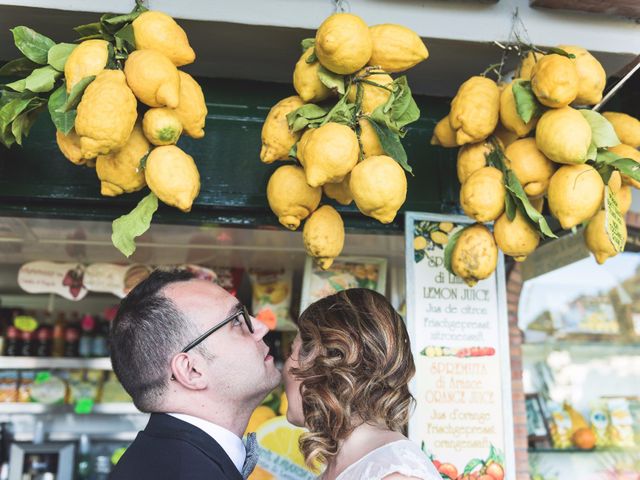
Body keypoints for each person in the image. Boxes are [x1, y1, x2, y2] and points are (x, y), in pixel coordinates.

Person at [109, 269, 281, 480]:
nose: (261, 327)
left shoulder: (164, 461)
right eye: (236, 321)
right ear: (191, 371)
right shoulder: (193, 472)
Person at [283, 288, 440, 480]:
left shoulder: (395, 474)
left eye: (293, 351)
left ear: (324, 362)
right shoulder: (352, 463)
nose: (283, 369)